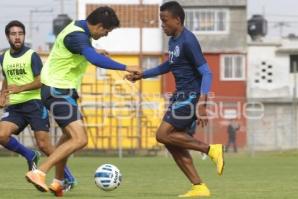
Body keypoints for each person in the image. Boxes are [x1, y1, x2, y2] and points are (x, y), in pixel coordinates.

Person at [25, 7, 140, 196]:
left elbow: (83, 50)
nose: (105, 35)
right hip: (58, 91)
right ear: (100, 26)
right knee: (80, 139)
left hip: (62, 91)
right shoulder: (77, 36)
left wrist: (94, 49)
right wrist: (126, 67)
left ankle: (58, 182)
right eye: (106, 32)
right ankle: (39, 172)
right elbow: (91, 57)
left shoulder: (78, 29)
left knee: (68, 138)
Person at [125, 1, 224, 197]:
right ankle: (199, 187)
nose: (162, 25)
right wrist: (142, 75)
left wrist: (202, 105)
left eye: (164, 21)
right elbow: (167, 66)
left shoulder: (188, 41)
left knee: (162, 135)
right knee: (172, 142)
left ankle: (211, 149)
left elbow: (207, 73)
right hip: (180, 96)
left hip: (191, 97)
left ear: (177, 20)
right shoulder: (173, 41)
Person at [0, 20, 76, 191]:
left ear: (24, 35)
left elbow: (41, 80)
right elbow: (6, 78)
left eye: (20, 34)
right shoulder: (3, 57)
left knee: (44, 144)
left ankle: (67, 177)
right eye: (13, 34)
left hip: (35, 104)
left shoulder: (31, 55)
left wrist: (20, 88)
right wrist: (2, 94)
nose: (17, 37)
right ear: (7, 36)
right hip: (15, 107)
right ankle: (30, 155)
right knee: (1, 135)